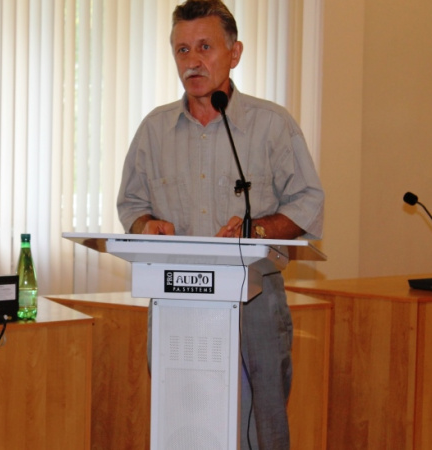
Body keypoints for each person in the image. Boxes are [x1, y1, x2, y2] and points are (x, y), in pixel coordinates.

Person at [116, 1, 324, 448]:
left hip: (255, 304)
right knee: (182, 425)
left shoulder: (271, 125)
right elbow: (131, 204)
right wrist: (146, 224)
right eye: (182, 50)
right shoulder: (153, 130)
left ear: (235, 52)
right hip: (176, 303)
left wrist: (256, 230)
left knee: (261, 428)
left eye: (205, 47)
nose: (192, 61)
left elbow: (308, 202)